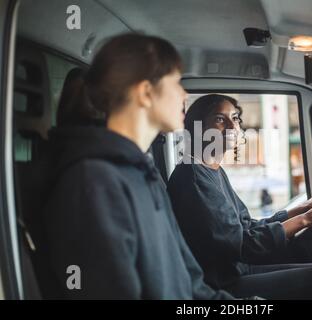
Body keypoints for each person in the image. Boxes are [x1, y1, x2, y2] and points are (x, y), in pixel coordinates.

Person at [41, 34, 235, 299]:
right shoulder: (94, 182)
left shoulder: (145, 174)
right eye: (176, 83)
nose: (184, 93)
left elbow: (192, 286)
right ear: (145, 93)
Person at [167, 94, 312, 299]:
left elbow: (245, 226)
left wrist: (302, 208)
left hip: (238, 270)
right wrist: (306, 219)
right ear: (198, 128)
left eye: (235, 118)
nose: (232, 126)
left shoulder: (211, 170)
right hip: (223, 285)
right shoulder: (194, 177)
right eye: (220, 119)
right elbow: (243, 245)